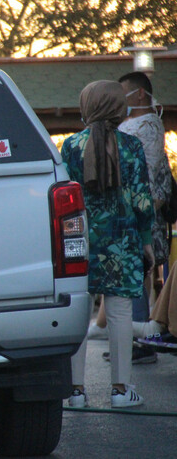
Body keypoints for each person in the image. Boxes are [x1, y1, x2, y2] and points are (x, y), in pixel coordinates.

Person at [61, 80, 154, 408]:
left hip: (79, 244)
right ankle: (119, 391)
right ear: (117, 107)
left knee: (78, 317)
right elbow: (143, 201)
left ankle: (75, 393)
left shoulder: (71, 146)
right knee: (119, 313)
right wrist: (146, 242)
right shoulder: (131, 146)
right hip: (122, 244)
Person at [88, 71, 170, 364]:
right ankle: (132, 336)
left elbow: (142, 174)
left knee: (137, 274)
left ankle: (138, 340)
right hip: (137, 211)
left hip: (137, 213)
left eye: (123, 95)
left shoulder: (146, 125)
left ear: (138, 95)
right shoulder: (137, 126)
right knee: (136, 275)